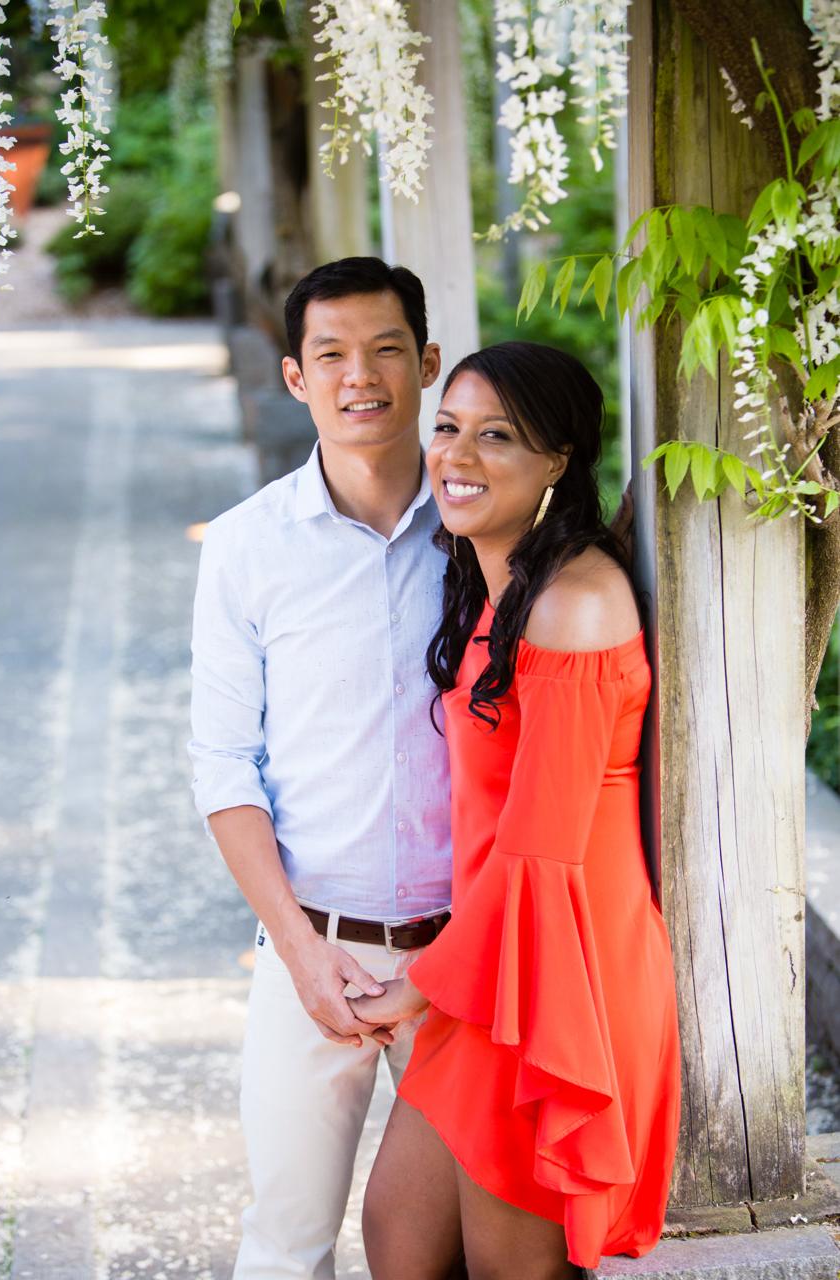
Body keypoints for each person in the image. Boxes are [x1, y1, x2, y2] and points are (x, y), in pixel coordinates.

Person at [350, 342, 682, 1280]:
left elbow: (539, 852)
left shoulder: (573, 604)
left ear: (559, 462)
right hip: (490, 961)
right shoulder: (495, 587)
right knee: (398, 1238)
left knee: (509, 1267)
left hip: (557, 980)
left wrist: (405, 989)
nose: (456, 454)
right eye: (447, 427)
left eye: (496, 436)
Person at [188, 257, 458, 1280]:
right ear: (295, 375)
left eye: (387, 349)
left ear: (426, 362)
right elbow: (223, 762)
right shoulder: (250, 545)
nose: (363, 376)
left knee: (460, 1248)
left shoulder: (484, 529)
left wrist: (455, 960)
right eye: (332, 354)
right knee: (286, 1244)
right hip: (314, 951)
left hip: (461, 963)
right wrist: (300, 953)